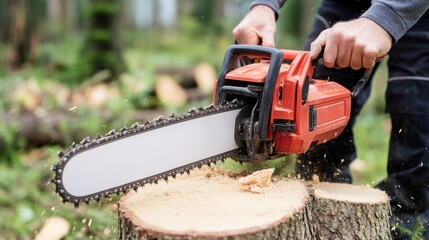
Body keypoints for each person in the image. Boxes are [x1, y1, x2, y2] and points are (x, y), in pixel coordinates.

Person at [233, 0, 429, 239]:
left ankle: (405, 228)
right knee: (313, 119)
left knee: (416, 132)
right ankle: (323, 221)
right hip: (345, 5)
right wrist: (264, 6)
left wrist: (385, 17)